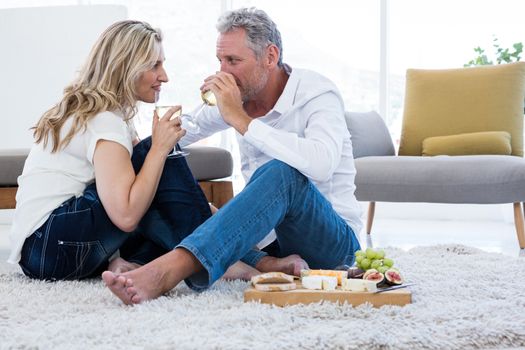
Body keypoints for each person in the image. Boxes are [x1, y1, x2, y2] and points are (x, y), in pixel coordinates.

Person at [102, 7, 362, 305]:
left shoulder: (316, 94)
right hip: (270, 247)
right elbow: (183, 130)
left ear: (271, 56)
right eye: (220, 61)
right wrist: (138, 145)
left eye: (234, 61)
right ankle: (259, 264)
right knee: (167, 164)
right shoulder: (240, 97)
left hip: (334, 247)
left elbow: (322, 164)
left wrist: (241, 119)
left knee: (283, 173)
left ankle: (170, 269)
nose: (223, 72)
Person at [7, 20, 257, 281]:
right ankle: (221, 258)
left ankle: (241, 259)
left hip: (44, 251)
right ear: (126, 67)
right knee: (156, 152)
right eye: (154, 65)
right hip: (53, 244)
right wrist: (159, 150)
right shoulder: (103, 119)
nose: (165, 76)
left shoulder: (98, 112)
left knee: (158, 182)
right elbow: (126, 215)